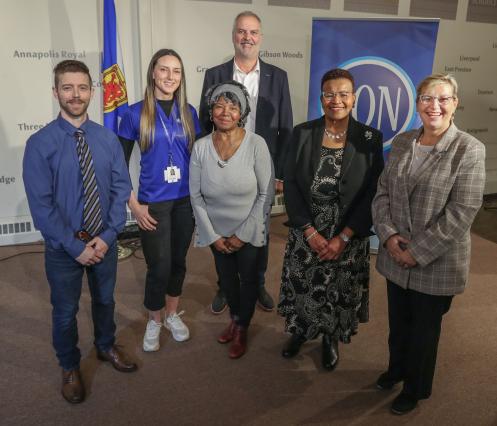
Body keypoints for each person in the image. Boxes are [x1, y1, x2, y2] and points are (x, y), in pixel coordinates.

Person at [22, 60, 137, 404]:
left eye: (82, 87)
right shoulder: (39, 144)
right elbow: (42, 208)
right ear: (55, 92)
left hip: (103, 242)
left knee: (105, 300)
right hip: (64, 249)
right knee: (64, 311)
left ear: (91, 91)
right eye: (67, 87)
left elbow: (121, 188)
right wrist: (76, 247)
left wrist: (109, 234)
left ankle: (104, 346)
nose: (76, 95)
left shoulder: (107, 139)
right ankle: (70, 366)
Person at [372, 73, 486, 415]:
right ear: (417, 103)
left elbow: (462, 212)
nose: (433, 106)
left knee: (424, 331)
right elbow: (383, 194)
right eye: (426, 98)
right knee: (398, 323)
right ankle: (396, 370)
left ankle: (415, 387)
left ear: (455, 104)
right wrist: (389, 237)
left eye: (443, 99)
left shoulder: (469, 149)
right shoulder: (404, 141)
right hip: (395, 254)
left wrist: (416, 253)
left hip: (435, 262)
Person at [278, 68, 384, 371]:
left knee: (338, 288)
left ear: (353, 98)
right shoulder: (302, 132)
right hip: (307, 228)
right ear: (321, 98)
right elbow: (292, 184)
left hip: (348, 231)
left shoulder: (369, 138)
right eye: (329, 94)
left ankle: (330, 338)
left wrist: (345, 236)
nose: (335, 100)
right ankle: (300, 331)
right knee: (303, 285)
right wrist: (309, 231)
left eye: (343, 94)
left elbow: (372, 192)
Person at [199, 10, 293, 313]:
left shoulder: (278, 77)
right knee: (221, 224)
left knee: (259, 228)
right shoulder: (215, 74)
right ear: (233, 36)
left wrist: (281, 172)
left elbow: (286, 127)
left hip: (260, 166)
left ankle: (257, 282)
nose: (247, 37)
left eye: (252, 32)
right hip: (222, 163)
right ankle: (225, 286)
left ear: (260, 38)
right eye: (241, 31)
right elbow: (205, 123)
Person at [118, 49, 201, 352]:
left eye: (176, 71)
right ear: (153, 72)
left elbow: (199, 158)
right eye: (164, 70)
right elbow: (118, 164)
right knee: (159, 265)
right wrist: (133, 204)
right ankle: (154, 319)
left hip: (184, 202)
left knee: (178, 261)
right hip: (152, 203)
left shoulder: (189, 112)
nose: (170, 77)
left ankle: (171, 314)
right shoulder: (133, 113)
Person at [190, 81, 274, 359]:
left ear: (242, 112)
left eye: (233, 106)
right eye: (219, 106)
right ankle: (236, 318)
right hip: (217, 232)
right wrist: (213, 236)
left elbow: (266, 194)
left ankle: (242, 327)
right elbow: (196, 197)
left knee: (249, 280)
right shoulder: (201, 147)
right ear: (211, 111)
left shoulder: (256, 144)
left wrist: (243, 234)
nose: (225, 112)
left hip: (248, 230)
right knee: (227, 281)